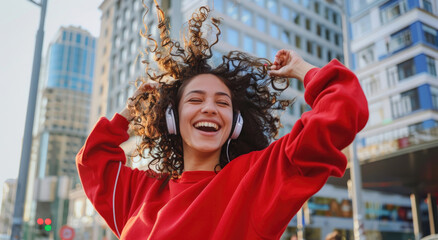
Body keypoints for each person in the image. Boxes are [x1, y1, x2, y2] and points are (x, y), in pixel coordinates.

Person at [76, 4, 369, 240]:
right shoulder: (142, 194)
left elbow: (343, 108)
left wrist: (303, 69)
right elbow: (93, 161)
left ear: (235, 124)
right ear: (172, 118)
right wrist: (131, 111)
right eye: (195, 100)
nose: (209, 109)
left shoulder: (255, 179)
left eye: (222, 102)